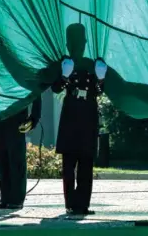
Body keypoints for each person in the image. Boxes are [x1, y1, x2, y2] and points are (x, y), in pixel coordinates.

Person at [51, 23, 108, 215]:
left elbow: (99, 92)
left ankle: (82, 204)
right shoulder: (64, 63)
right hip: (71, 113)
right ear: (69, 44)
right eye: (74, 42)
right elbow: (56, 88)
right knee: (69, 164)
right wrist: (65, 76)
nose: (79, 46)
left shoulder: (92, 64)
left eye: (81, 42)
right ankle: (70, 203)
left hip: (88, 113)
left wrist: (101, 79)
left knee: (86, 162)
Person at [0, 97, 42, 209]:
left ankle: (17, 199)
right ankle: (5, 198)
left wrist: (34, 118)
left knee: (16, 159)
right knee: (1, 159)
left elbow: (36, 89)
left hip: (16, 117)